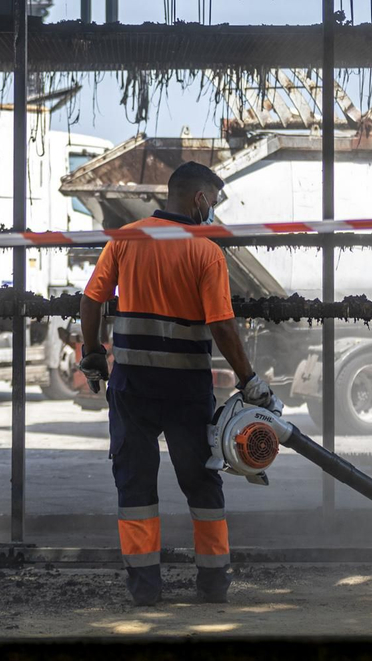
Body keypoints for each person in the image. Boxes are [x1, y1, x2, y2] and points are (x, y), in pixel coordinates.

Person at [78, 160, 284, 606]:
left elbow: (92, 300)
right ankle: (212, 586)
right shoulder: (205, 250)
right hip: (187, 390)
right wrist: (249, 381)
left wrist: (92, 352)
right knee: (203, 483)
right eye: (214, 202)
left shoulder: (127, 238)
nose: (213, 211)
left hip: (133, 386)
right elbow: (223, 325)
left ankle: (145, 592)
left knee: (135, 486)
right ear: (200, 199)